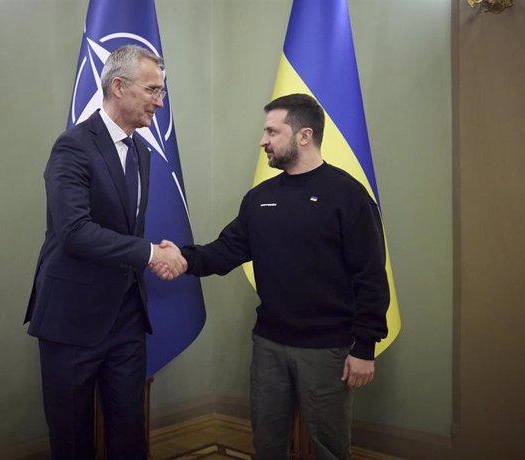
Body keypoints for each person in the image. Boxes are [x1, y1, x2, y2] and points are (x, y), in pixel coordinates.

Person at [157, 94, 389, 460]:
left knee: (329, 447)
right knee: (267, 442)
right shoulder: (259, 198)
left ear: (304, 136)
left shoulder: (348, 196)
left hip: (328, 349)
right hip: (269, 345)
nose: (263, 140)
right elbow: (225, 251)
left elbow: (372, 277)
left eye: (271, 131)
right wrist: (182, 259)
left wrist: (365, 348)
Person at [24, 45, 186, 460]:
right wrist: (151, 254)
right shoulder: (73, 146)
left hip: (127, 316)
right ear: (118, 86)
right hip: (72, 318)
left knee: (130, 432)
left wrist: (154, 254)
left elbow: (122, 229)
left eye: (161, 92)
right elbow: (75, 232)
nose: (160, 101)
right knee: (74, 438)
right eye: (152, 90)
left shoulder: (143, 152)